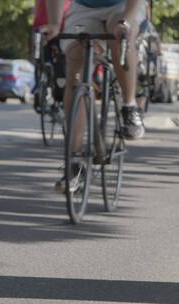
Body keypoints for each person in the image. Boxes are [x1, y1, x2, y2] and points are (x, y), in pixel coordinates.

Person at [45, 0, 146, 192]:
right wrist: (55, 24)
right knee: (75, 70)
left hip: (122, 6)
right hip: (84, 8)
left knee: (121, 36)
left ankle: (129, 106)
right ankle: (73, 163)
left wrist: (126, 20)